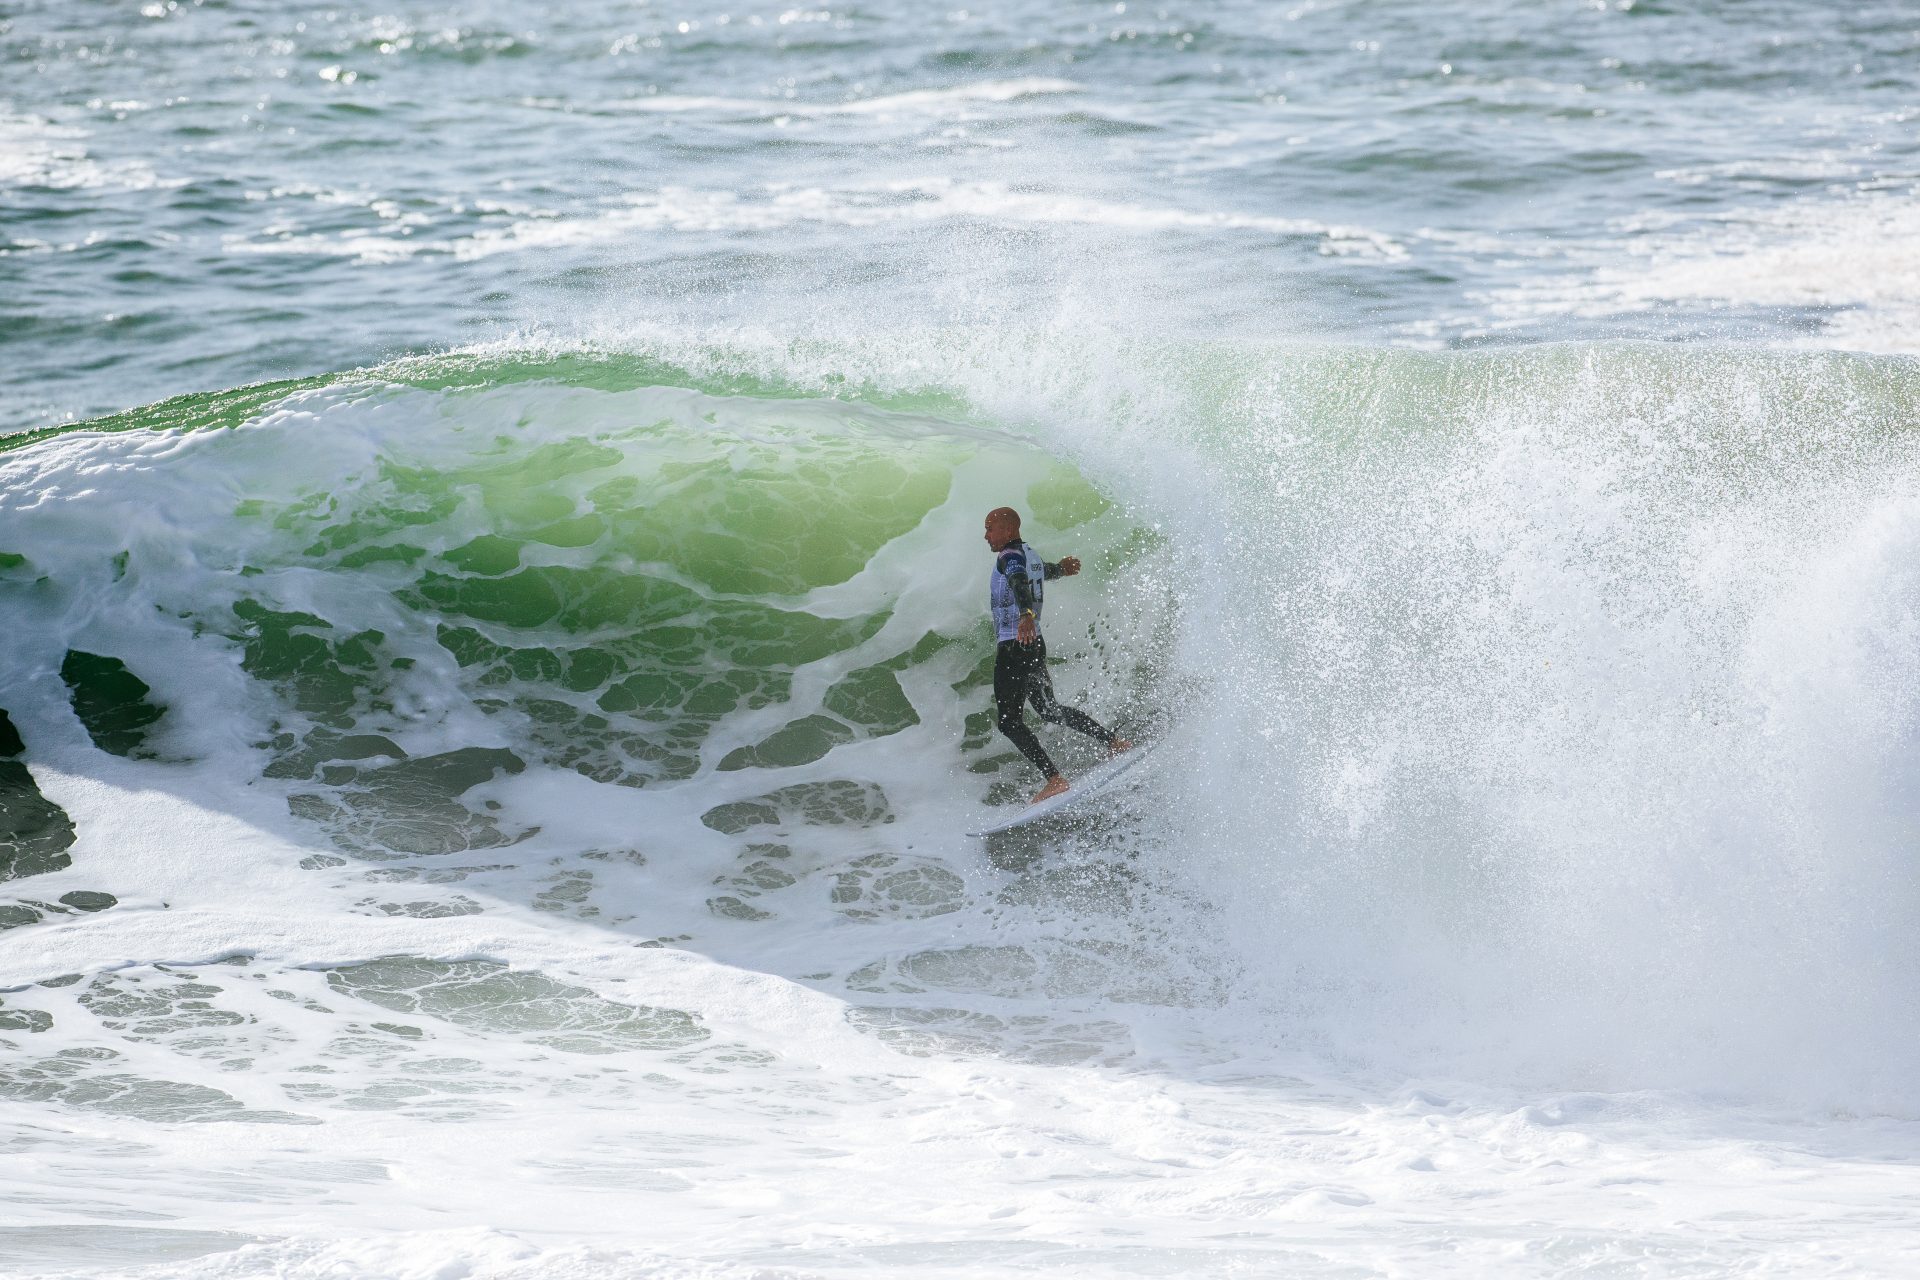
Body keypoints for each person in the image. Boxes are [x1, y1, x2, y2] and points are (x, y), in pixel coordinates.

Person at [982, 506, 1130, 803]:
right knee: (1049, 709)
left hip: (1014, 645)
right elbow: (1039, 573)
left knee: (1010, 723)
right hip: (1035, 644)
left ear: (1008, 530)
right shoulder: (1030, 555)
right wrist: (1061, 569)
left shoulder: (1008, 557)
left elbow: (1018, 581)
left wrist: (1024, 614)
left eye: (990, 529)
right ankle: (1114, 742)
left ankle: (1054, 779)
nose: (986, 536)